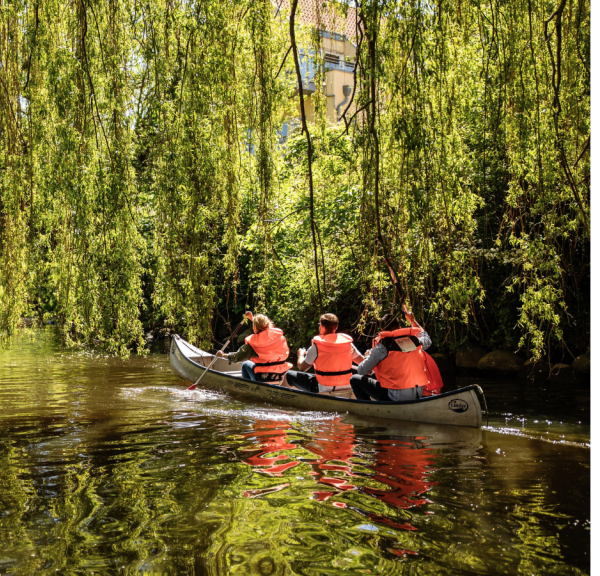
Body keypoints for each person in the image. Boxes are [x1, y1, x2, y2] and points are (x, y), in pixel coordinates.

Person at [350, 305, 433, 402]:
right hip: (418, 393)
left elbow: (362, 371)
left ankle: (368, 409)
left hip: (395, 397)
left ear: (382, 330)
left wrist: (369, 356)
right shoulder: (415, 341)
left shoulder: (382, 347)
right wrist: (412, 321)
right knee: (374, 375)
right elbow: (426, 338)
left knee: (354, 379)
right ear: (400, 328)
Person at [286, 313, 364, 394]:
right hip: (348, 386)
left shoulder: (316, 347)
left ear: (322, 327)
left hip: (324, 388)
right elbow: (362, 362)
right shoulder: (348, 345)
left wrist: (301, 355)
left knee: (288, 375)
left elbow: (302, 368)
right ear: (336, 327)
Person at [217, 313, 292, 382]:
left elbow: (237, 357)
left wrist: (222, 355)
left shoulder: (253, 343)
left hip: (264, 377)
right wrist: (253, 319)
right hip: (281, 373)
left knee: (246, 363)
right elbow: (264, 329)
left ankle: (247, 388)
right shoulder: (278, 337)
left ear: (254, 327)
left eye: (253, 325)